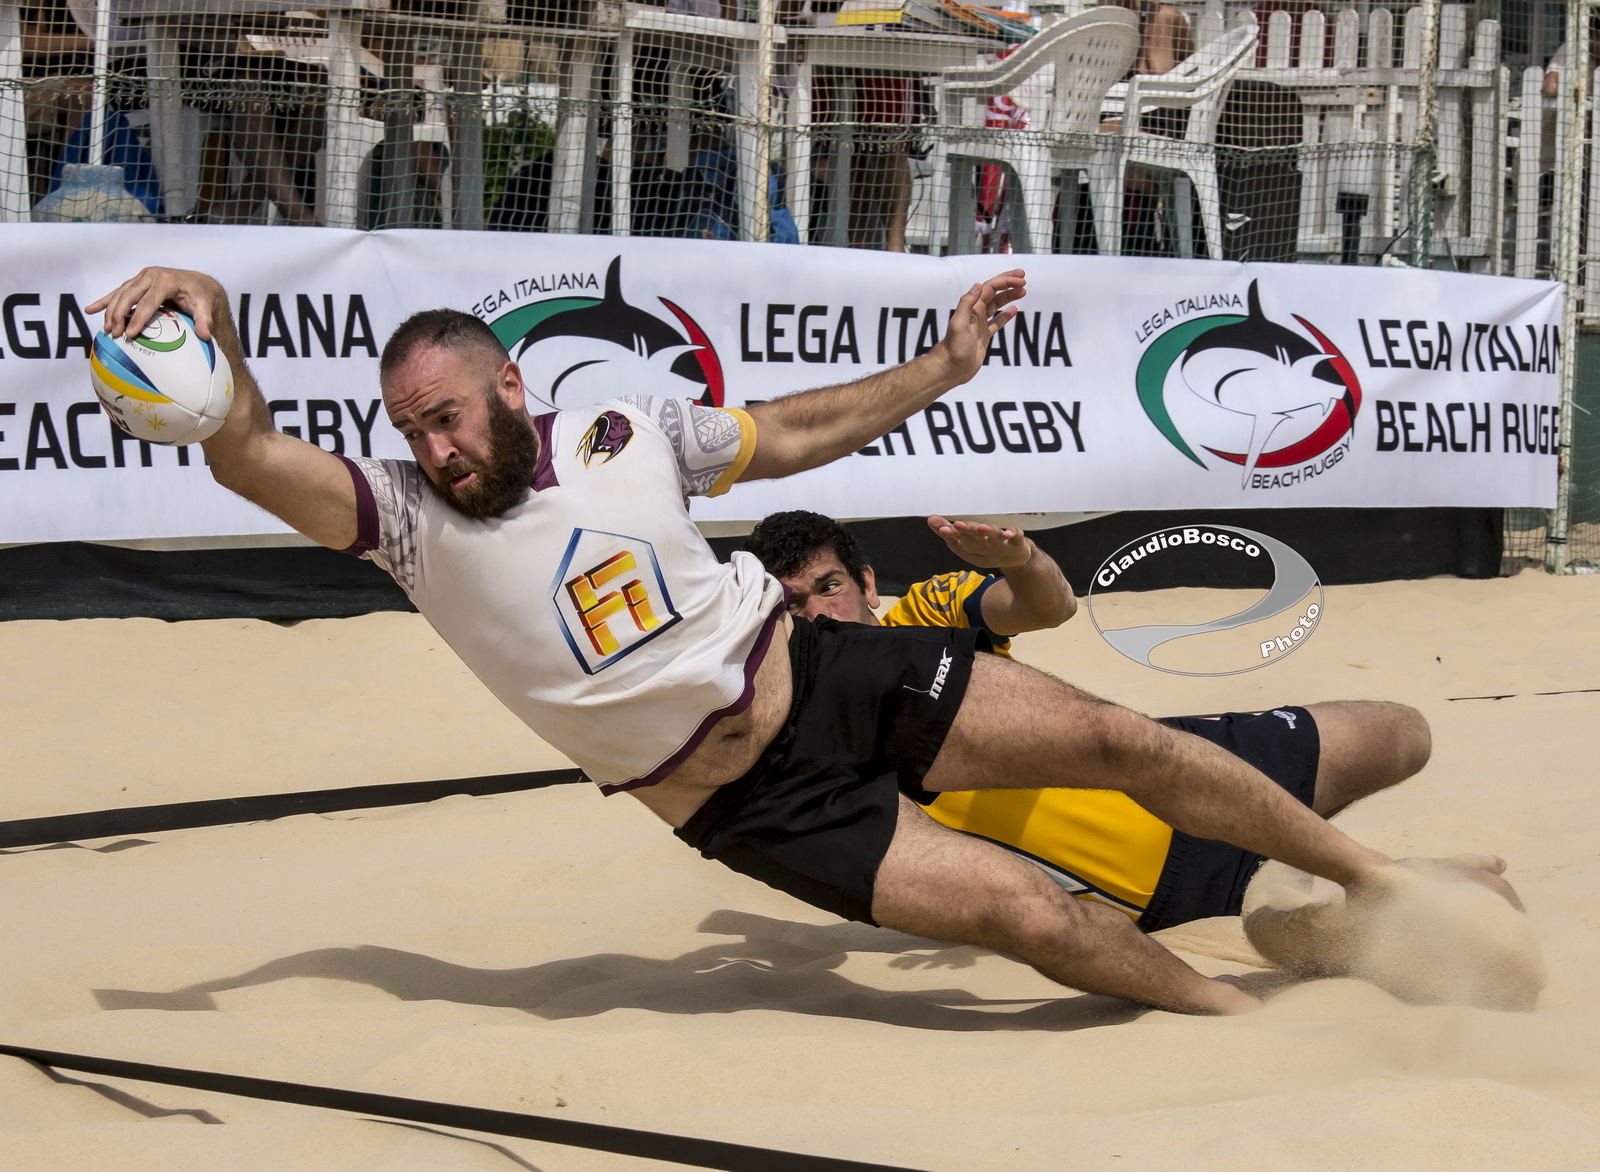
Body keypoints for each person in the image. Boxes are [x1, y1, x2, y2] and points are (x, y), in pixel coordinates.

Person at [90, 264, 1513, 1017]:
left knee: (1113, 736)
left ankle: (1387, 888)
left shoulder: (621, 423)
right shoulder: (402, 520)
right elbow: (247, 447)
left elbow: (792, 432)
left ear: (508, 385)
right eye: (410, 429)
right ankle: (1241, 1015)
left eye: (447, 416)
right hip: (745, 805)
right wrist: (212, 322)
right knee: (1034, 919)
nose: (434, 447)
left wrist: (947, 368)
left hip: (822, 670)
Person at [743, 509, 1450, 931]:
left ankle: (1321, 850)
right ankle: (1362, 871)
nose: (818, 613)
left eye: (830, 587)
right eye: (791, 603)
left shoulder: (924, 613)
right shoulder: (799, 725)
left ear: (867, 582)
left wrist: (1024, 559)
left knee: (1401, 732)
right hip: (1165, 886)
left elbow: (1047, 607)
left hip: (1187, 757)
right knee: (1446, 913)